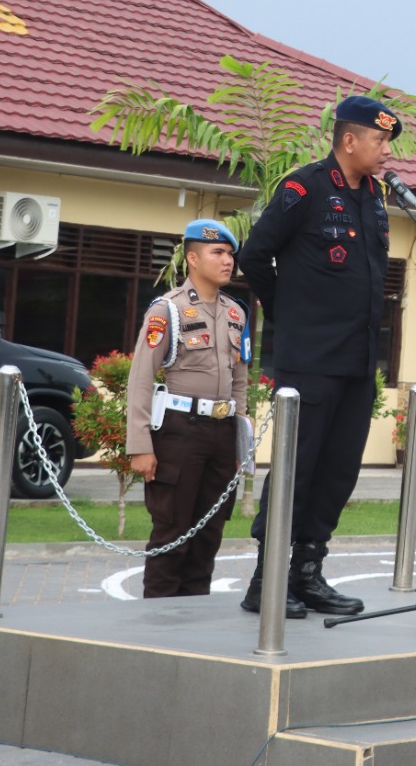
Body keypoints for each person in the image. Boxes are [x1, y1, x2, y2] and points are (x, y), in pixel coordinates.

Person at [236, 94, 401, 619]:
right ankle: (267, 580)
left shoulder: (374, 197)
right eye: (379, 141)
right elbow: (255, 255)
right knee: (297, 469)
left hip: (357, 362)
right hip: (309, 361)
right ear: (349, 140)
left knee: (336, 474)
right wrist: (288, 314)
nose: (385, 151)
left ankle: (307, 572)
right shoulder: (303, 187)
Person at [125, 220, 249, 598]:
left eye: (230, 254)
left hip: (222, 432)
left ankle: (194, 617)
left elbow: (240, 380)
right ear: (193, 259)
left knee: (209, 534)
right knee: (173, 531)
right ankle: (157, 622)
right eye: (218, 253)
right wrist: (140, 444)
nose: (227, 260)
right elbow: (141, 377)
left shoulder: (235, 313)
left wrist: (240, 439)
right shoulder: (168, 310)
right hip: (180, 430)